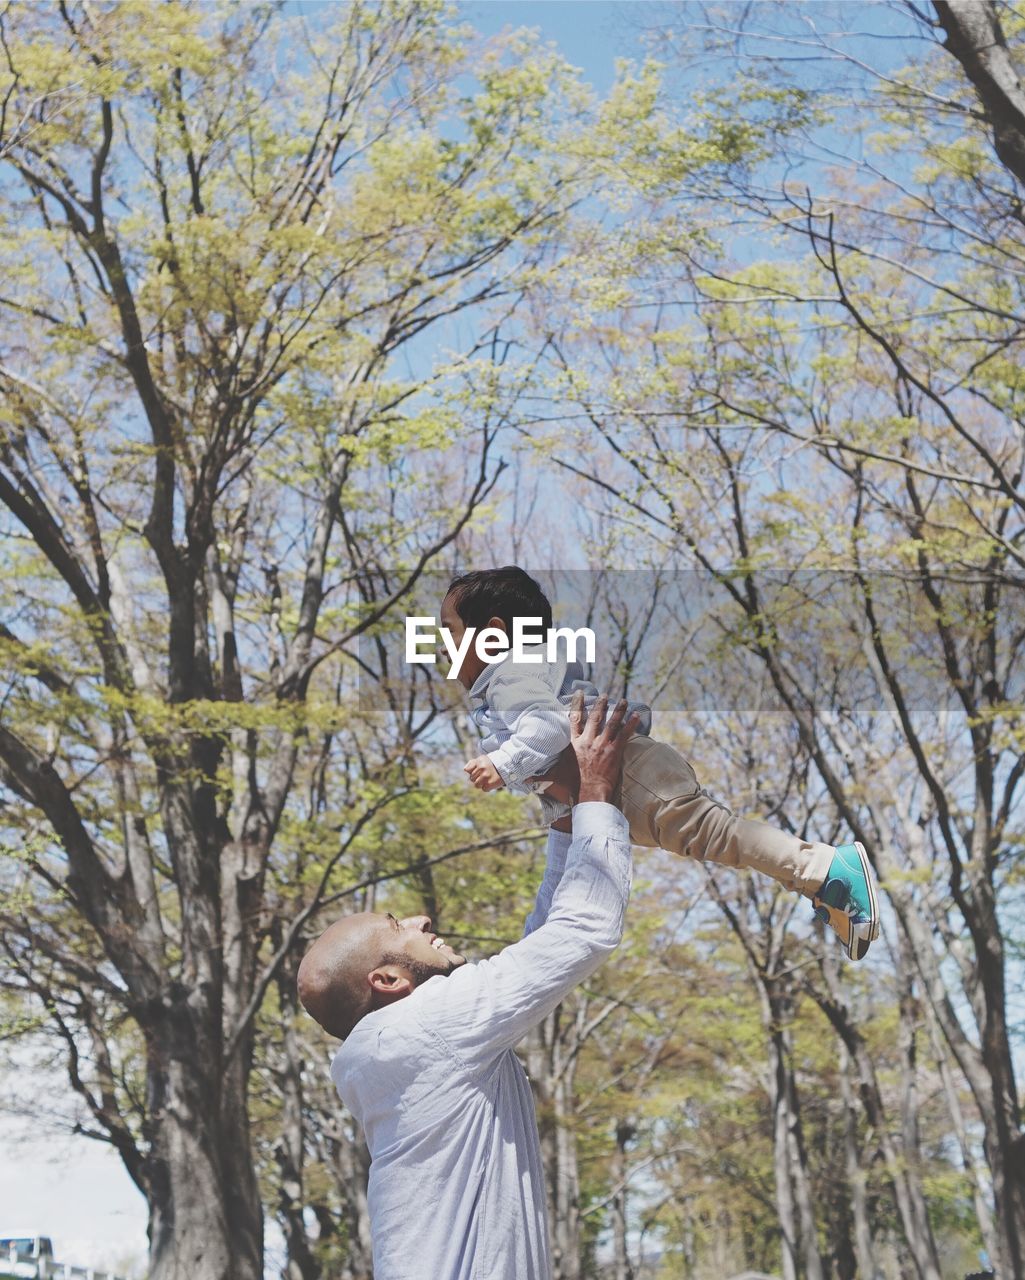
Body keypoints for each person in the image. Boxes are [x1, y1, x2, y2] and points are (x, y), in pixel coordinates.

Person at [297, 692, 639, 1280]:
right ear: (387, 980)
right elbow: (582, 929)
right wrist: (596, 793)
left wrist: (564, 816)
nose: (421, 920)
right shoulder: (427, 1028)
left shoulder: (404, 1042)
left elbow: (537, 950)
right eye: (396, 928)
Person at [442, 566, 879, 961]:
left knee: (716, 835)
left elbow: (549, 725)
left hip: (630, 774)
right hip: (613, 790)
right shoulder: (519, 676)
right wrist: (528, 953)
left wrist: (503, 762)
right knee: (704, 842)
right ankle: (819, 880)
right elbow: (559, 852)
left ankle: (822, 870)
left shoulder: (509, 675)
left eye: (451, 631)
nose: (444, 647)